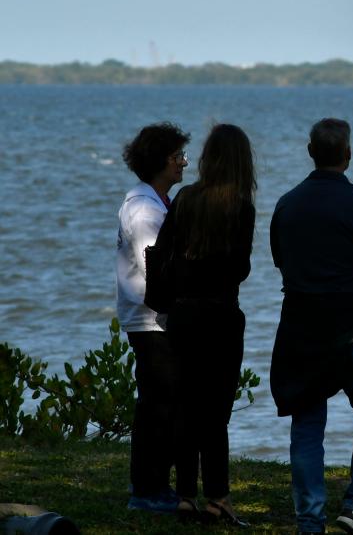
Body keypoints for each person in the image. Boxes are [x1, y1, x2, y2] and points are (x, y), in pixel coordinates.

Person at [269, 118, 353, 535]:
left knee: (307, 420)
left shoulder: (286, 205)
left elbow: (283, 267)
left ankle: (310, 520)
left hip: (301, 332)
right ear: (348, 154)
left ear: (311, 153)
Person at [152, 124, 256, 525]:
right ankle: (218, 496)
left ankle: (184, 496)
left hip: (183, 314)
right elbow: (241, 268)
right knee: (216, 412)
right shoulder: (241, 207)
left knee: (185, 405)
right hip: (222, 316)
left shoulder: (184, 199)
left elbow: (162, 255)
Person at [116, 122, 190, 513]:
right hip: (152, 320)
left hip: (155, 318)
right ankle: (147, 490)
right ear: (160, 160)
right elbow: (155, 269)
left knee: (163, 403)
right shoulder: (146, 209)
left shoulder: (155, 202)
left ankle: (155, 485)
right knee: (158, 406)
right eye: (178, 156)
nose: (184, 163)